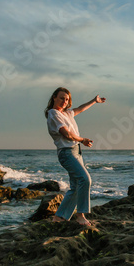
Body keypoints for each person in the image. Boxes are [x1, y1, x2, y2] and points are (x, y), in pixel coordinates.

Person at [45, 87, 106, 225]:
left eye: (67, 99)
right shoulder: (53, 113)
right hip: (66, 152)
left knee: (76, 185)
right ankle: (80, 215)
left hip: (76, 151)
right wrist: (82, 139)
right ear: (54, 97)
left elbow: (80, 109)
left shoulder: (66, 114)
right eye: (61, 98)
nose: (64, 101)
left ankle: (60, 217)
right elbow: (66, 134)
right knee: (85, 179)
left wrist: (94, 101)